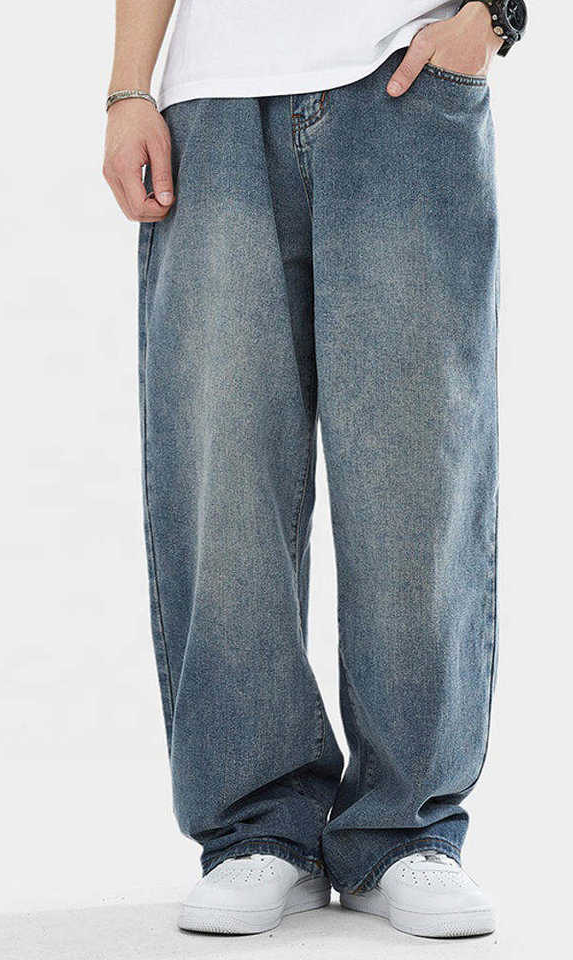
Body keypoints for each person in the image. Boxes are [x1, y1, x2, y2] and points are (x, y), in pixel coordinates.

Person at [103, 0, 526, 939]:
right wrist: (129, 88)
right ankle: (257, 829)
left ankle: (405, 831)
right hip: (212, 105)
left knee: (419, 479)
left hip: (408, 85)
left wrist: (492, 18)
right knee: (222, 474)